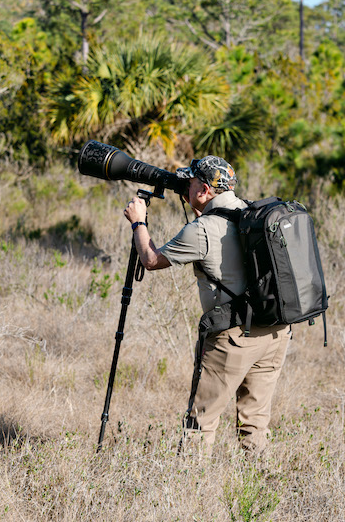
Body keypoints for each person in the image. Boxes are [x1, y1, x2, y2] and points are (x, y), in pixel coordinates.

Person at [123, 155, 291, 455]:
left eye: (189, 184)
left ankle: (192, 492)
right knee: (255, 422)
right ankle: (260, 485)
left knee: (201, 423)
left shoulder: (202, 229)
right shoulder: (254, 212)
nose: (184, 190)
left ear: (202, 190)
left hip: (234, 337)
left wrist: (139, 221)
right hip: (276, 331)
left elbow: (150, 260)